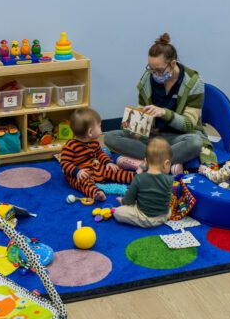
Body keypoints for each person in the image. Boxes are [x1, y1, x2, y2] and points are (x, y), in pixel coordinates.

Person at [105, 33, 214, 173]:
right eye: (151, 69)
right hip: (153, 136)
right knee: (110, 137)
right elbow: (141, 114)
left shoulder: (193, 83)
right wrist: (135, 127)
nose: (154, 73)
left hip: (179, 138)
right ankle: (166, 164)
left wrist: (164, 113)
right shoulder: (147, 79)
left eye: (159, 70)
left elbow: (189, 124)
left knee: (195, 143)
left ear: (173, 63)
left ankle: (145, 164)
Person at [59, 108, 134, 202]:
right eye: (99, 126)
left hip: (94, 168)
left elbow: (100, 153)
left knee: (112, 170)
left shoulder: (94, 142)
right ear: (90, 132)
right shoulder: (70, 145)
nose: (101, 129)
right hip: (80, 173)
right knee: (84, 183)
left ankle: (135, 177)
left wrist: (107, 162)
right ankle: (97, 193)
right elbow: (64, 163)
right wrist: (77, 171)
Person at [114, 138, 175, 228]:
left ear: (145, 161)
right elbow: (166, 198)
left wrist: (123, 201)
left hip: (145, 217)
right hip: (163, 216)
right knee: (167, 209)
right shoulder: (170, 180)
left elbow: (129, 199)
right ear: (166, 164)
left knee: (118, 212)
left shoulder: (139, 178)